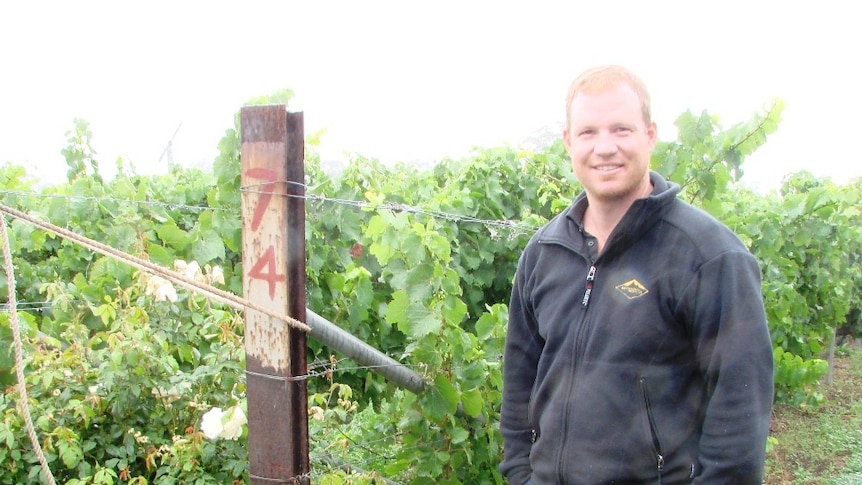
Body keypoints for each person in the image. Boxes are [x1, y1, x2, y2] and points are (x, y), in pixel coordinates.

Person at [499, 65, 774, 484]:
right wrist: (521, 475)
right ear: (569, 142)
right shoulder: (543, 253)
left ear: (650, 134)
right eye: (588, 132)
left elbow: (740, 408)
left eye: (622, 130)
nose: (604, 147)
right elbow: (519, 381)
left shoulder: (709, 256)